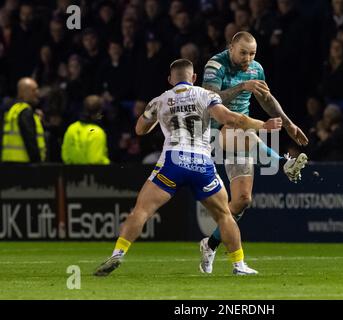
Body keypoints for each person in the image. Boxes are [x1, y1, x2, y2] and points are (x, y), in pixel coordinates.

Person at [93, 59, 282, 276]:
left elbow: (140, 129)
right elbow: (229, 118)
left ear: (170, 80)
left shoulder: (160, 100)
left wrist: (158, 118)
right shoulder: (206, 94)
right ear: (193, 78)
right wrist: (263, 125)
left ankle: (118, 253)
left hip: (173, 161)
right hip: (201, 163)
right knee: (224, 216)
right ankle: (238, 265)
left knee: (142, 210)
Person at [199, 31, 309, 274]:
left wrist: (289, 125)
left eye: (252, 53)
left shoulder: (256, 69)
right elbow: (209, 98)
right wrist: (242, 87)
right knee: (243, 132)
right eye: (243, 52)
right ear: (231, 48)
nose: (248, 58)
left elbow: (267, 100)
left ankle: (210, 244)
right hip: (213, 132)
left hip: (239, 134)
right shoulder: (216, 65)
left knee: (242, 201)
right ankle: (283, 162)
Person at [1, 77, 46, 163]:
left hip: (8, 164)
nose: (37, 93)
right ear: (23, 92)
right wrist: (38, 163)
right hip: (25, 166)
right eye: (34, 90)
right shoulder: (25, 112)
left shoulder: (12, 111)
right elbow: (30, 141)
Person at [61, 95, 110, 165]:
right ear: (99, 111)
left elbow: (65, 156)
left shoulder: (72, 128)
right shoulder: (97, 132)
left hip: (71, 173)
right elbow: (95, 160)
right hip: (92, 174)